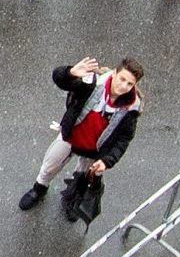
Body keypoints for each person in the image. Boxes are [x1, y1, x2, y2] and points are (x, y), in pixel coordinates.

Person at [19, 58, 142, 221]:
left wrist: (107, 161)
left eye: (129, 84)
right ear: (114, 73)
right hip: (71, 137)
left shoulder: (132, 107)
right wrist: (69, 73)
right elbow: (60, 79)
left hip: (93, 150)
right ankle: (39, 188)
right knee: (50, 166)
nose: (124, 86)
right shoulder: (92, 83)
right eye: (122, 79)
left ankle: (71, 199)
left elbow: (124, 138)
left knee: (82, 177)